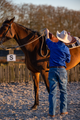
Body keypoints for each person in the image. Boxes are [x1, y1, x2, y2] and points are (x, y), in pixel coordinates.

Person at [45, 29, 71, 117]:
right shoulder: (66, 49)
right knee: (63, 91)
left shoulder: (52, 45)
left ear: (59, 38)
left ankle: (51, 112)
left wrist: (46, 33)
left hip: (52, 70)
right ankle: (63, 111)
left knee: (52, 92)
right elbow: (68, 60)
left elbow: (47, 40)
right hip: (62, 70)